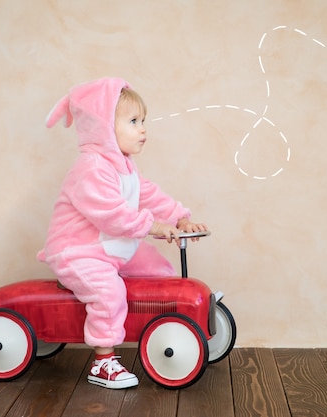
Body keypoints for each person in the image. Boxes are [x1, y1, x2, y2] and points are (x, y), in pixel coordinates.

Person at [37, 77, 207, 389]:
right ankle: (103, 361)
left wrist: (180, 219)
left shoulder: (125, 167)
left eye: (143, 121)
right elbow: (113, 216)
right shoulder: (90, 168)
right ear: (102, 127)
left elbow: (149, 196)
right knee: (108, 292)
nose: (143, 129)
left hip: (110, 249)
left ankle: (175, 323)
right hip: (77, 251)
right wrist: (155, 226)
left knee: (159, 270)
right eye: (133, 121)